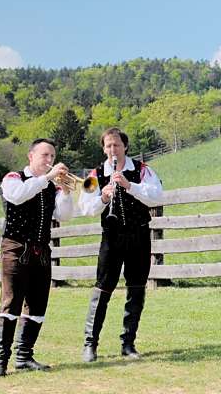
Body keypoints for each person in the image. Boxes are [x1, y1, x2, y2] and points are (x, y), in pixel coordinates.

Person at [0, 138, 74, 378]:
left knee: (37, 304)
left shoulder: (52, 187)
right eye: (45, 155)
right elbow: (17, 196)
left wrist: (65, 191)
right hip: (15, 247)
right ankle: (1, 361)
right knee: (11, 302)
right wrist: (48, 178)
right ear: (31, 156)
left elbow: (65, 215)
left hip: (41, 250)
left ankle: (24, 357)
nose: (49, 160)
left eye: (52, 157)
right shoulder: (13, 178)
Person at [78, 128, 163, 361]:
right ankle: (90, 344)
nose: (112, 150)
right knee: (102, 288)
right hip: (112, 238)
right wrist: (103, 198)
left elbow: (158, 196)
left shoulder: (143, 170)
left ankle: (128, 343)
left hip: (139, 236)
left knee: (136, 288)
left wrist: (129, 186)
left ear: (125, 146)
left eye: (116, 145)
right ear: (103, 148)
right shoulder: (94, 175)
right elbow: (84, 207)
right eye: (108, 146)